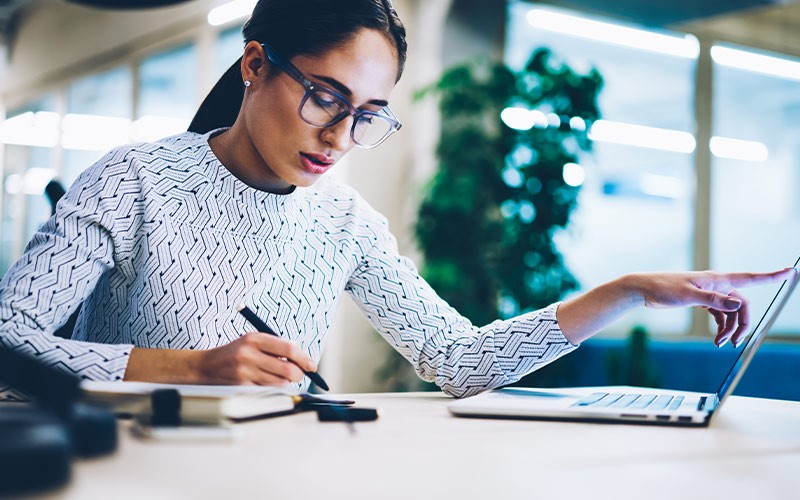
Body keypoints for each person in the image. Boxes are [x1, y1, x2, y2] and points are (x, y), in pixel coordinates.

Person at [0, 0, 793, 400]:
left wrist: (630, 290)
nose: (340, 136)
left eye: (367, 115)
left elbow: (459, 360)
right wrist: (187, 369)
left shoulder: (344, 222)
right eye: (323, 97)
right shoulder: (132, 179)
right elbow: (9, 336)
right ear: (253, 65)